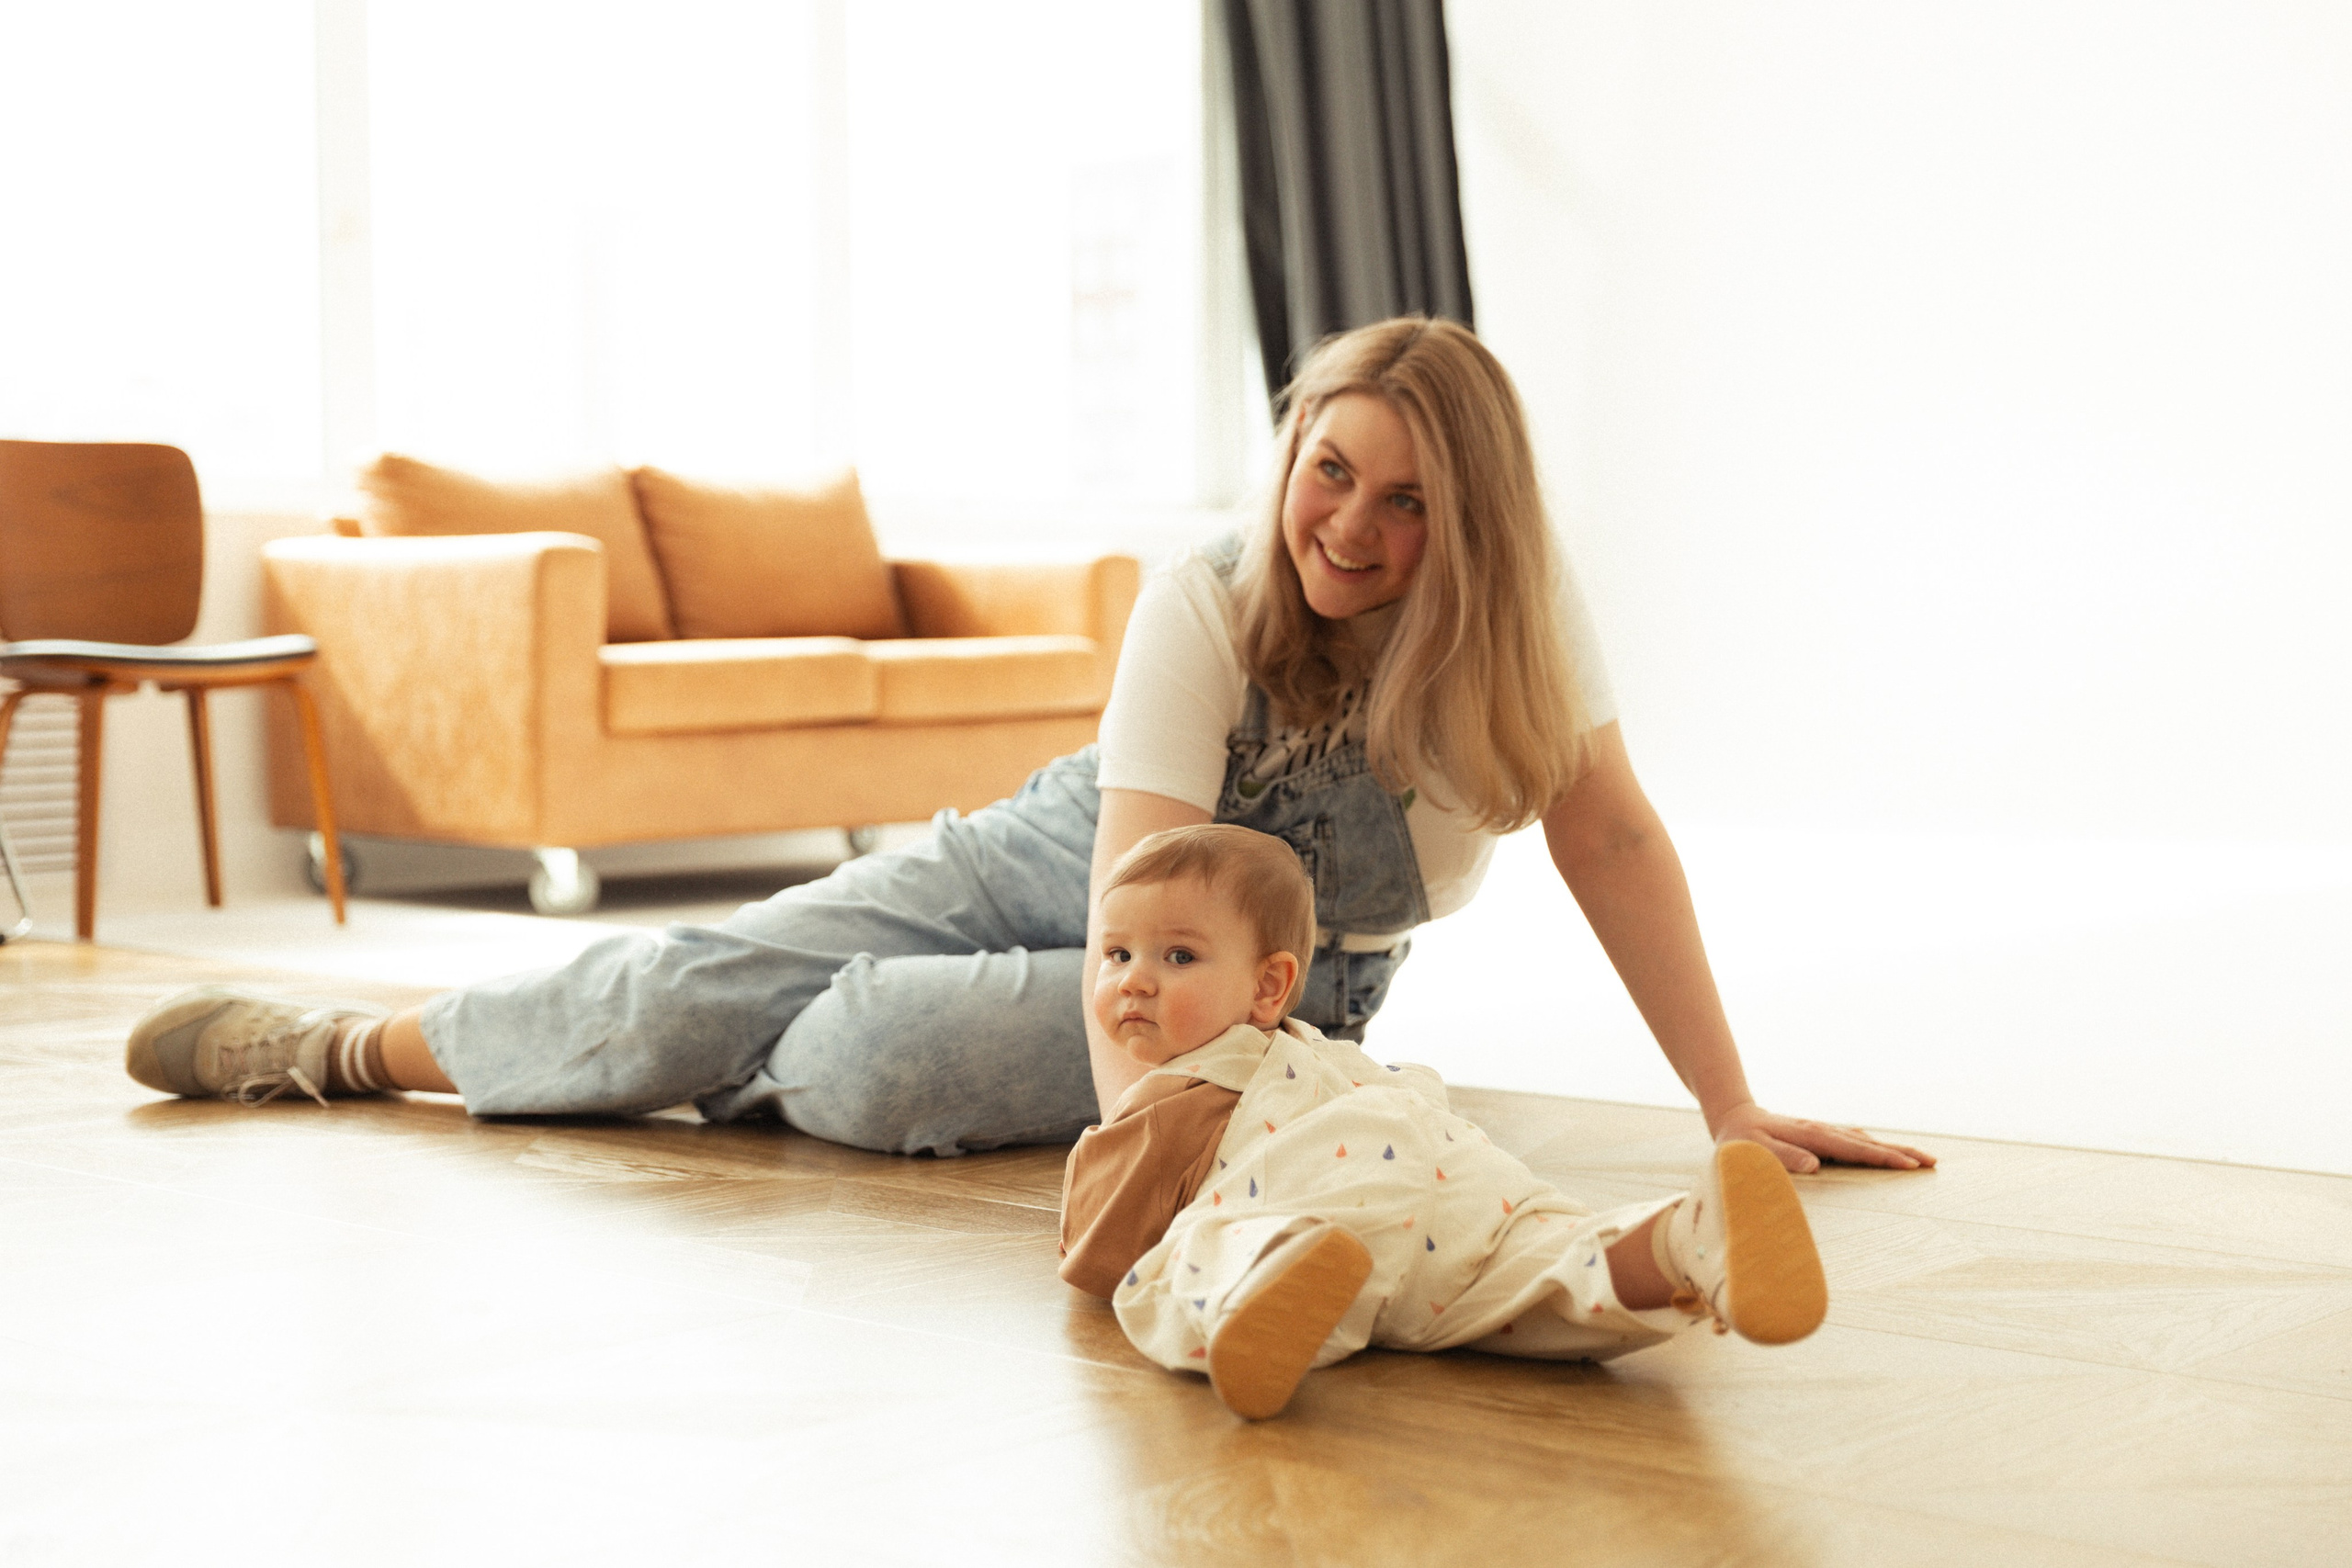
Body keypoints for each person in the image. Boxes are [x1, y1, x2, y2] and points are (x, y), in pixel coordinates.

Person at [123, 316, 1933, 1189]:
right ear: (1288, 446)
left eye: (1405, 499)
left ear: (1469, 521)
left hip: (1279, 987)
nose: (1353, 525)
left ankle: (712, 1059)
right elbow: (1130, 899)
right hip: (1067, 871)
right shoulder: (1205, 600)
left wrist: (1724, 1108)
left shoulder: (1524, 644)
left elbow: (1613, 843)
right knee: (720, 962)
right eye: (1329, 468)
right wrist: (1148, 1125)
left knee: (872, 1047)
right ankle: (346, 1047)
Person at [1062, 822, 1829, 1420]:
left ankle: (1262, 1278)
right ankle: (1689, 1241)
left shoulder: (1181, 1093)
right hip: (1444, 1163)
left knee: (1184, 1257)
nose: (1135, 981)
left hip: (1329, 1197)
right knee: (1536, 1258)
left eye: (1178, 957)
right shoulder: (1318, 1056)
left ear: (1270, 986)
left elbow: (1098, 1245)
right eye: (1117, 953)